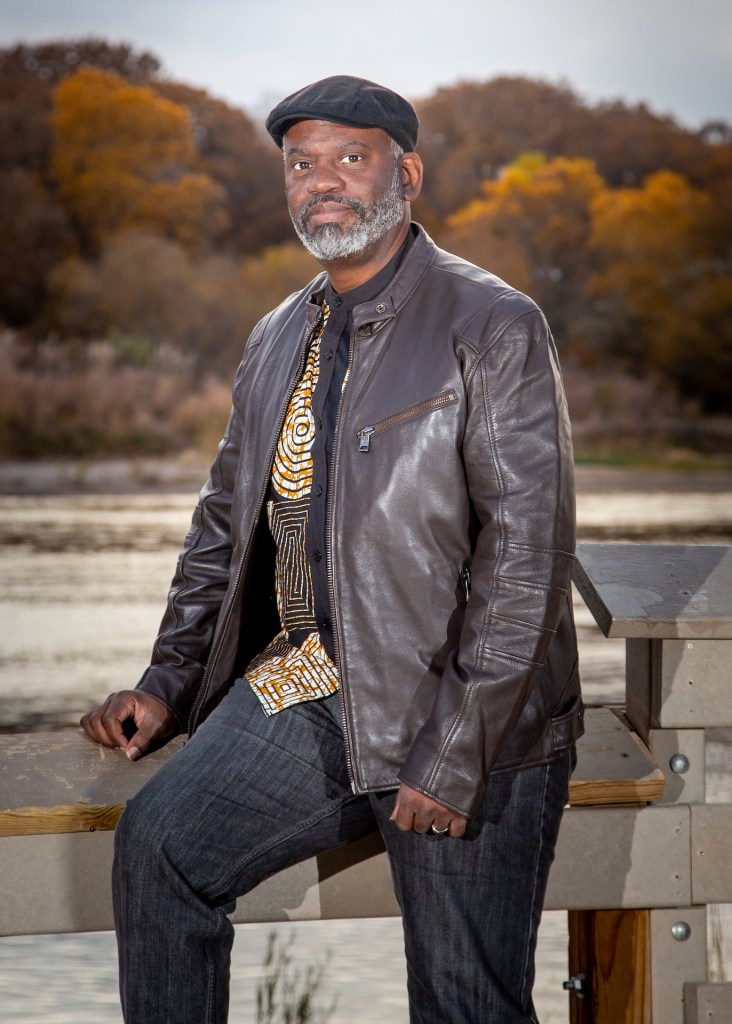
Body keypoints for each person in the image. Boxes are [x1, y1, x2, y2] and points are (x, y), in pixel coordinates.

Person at [81, 75, 583, 1024]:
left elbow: (527, 558)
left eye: (351, 158)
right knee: (158, 850)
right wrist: (168, 680)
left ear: (407, 175)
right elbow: (223, 527)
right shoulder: (276, 335)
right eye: (301, 164)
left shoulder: (493, 323)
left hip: (458, 709)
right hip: (311, 684)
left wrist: (457, 752)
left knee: (465, 1002)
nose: (323, 182)